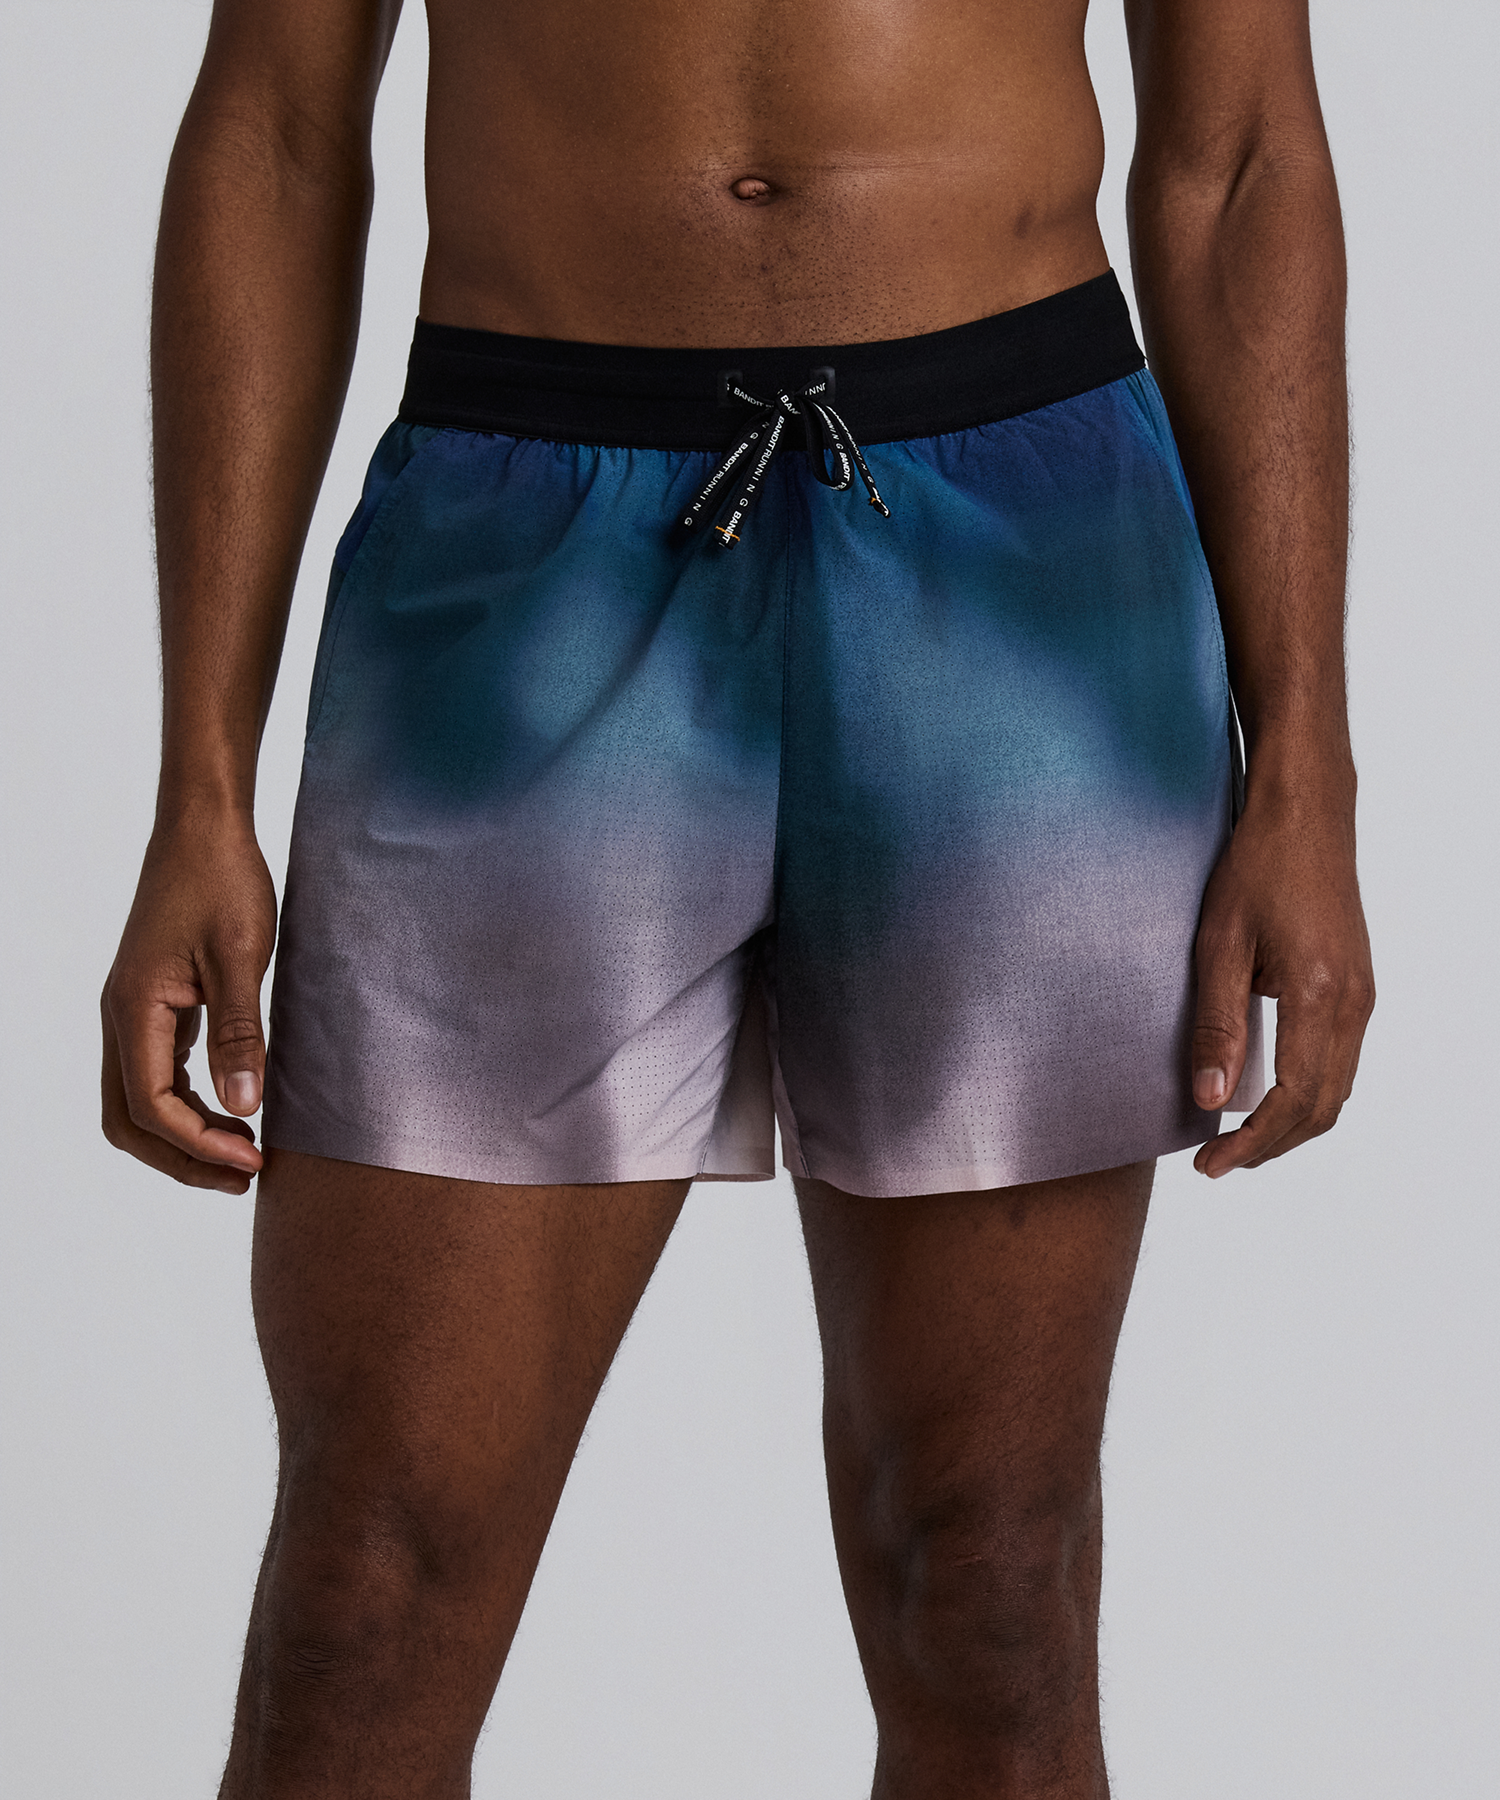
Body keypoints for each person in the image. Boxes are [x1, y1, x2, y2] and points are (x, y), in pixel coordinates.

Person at [99, 0, 1375, 1792]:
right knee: (367, 1592)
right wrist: (199, 790)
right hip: (517, 542)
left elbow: (1237, 154)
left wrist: (1305, 765)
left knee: (988, 1581)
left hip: (1019, 559)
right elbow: (279, 134)